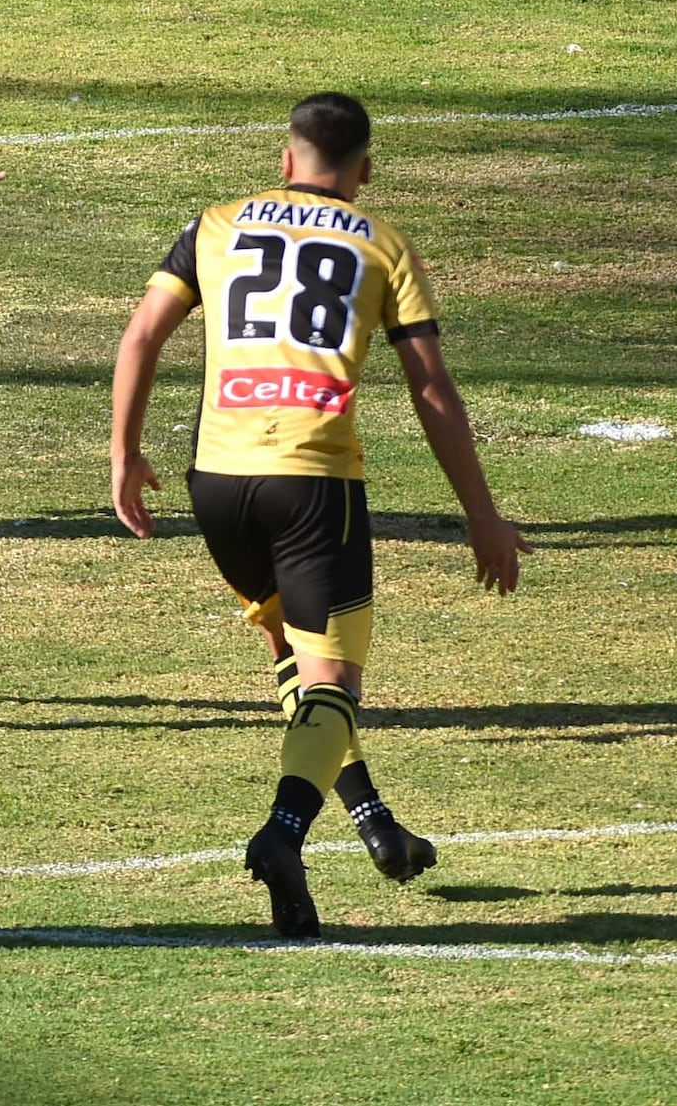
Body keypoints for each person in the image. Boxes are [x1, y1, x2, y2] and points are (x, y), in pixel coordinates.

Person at [111, 90, 527, 939]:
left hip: (217, 479)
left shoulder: (215, 223)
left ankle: (371, 815)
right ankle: (284, 831)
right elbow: (431, 386)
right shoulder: (382, 243)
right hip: (313, 481)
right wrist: (482, 512)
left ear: (285, 156)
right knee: (334, 678)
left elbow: (142, 334)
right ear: (365, 170)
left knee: (292, 653)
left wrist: (123, 453)